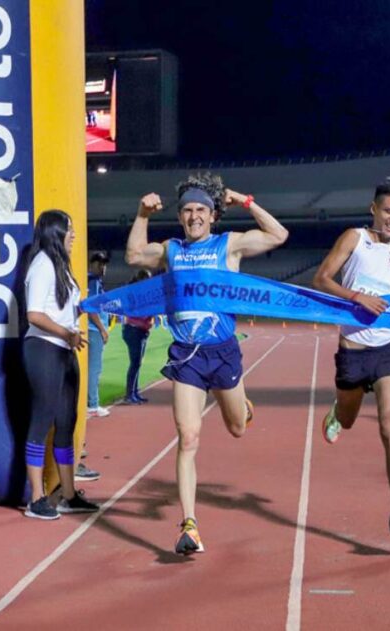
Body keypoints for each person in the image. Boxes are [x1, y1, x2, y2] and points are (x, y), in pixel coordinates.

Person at [124, 172, 289, 555]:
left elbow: (279, 235)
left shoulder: (228, 246)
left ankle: (241, 406)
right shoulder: (171, 250)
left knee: (237, 429)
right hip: (186, 356)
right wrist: (142, 215)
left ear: (213, 215)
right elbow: (133, 255)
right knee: (189, 436)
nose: (194, 216)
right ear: (180, 216)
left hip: (223, 352)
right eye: (187, 211)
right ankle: (190, 525)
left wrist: (246, 202)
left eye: (201, 210)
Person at [312, 176, 390, 549]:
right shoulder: (355, 238)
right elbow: (321, 278)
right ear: (373, 209)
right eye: (388, 211)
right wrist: (356, 298)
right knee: (349, 421)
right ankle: (337, 411)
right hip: (353, 352)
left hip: (387, 350)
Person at [22, 210, 100, 519]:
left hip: (65, 349)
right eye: (69, 229)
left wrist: (85, 309)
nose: (74, 235)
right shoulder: (42, 264)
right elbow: (35, 315)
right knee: (42, 421)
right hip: (44, 349)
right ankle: (36, 498)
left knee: (67, 421)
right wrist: (67, 333)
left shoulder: (62, 267)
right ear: (56, 232)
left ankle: (68, 495)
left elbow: (62, 309)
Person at [122, 269, 154, 405]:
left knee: (137, 363)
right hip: (134, 330)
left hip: (140, 330)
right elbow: (137, 312)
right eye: (147, 279)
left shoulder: (142, 294)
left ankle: (134, 392)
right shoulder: (135, 293)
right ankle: (130, 394)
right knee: (135, 363)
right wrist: (150, 313)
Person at [86, 251, 111, 418]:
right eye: (99, 263)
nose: (103, 267)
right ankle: (92, 404)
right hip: (93, 330)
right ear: (91, 264)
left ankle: (90, 403)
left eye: (104, 263)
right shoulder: (93, 281)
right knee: (94, 368)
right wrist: (102, 329)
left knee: (93, 368)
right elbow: (91, 308)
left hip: (93, 329)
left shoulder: (95, 281)